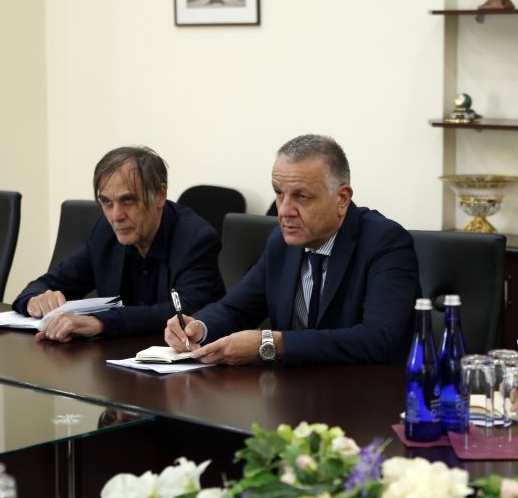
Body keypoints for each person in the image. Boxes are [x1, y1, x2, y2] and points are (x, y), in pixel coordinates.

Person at [164, 134, 421, 366]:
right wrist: (199, 326)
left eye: (302, 196)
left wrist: (273, 344)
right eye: (279, 194)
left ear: (341, 199)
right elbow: (236, 308)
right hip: (292, 391)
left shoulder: (385, 242)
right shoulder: (282, 242)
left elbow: (380, 339)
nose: (285, 210)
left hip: (363, 392)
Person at [12, 146, 225, 341]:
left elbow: (184, 311)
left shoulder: (196, 239)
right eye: (106, 202)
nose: (116, 216)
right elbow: (44, 285)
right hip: (117, 360)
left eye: (128, 200)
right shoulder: (105, 233)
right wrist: (34, 301)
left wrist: (101, 322)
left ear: (160, 195)